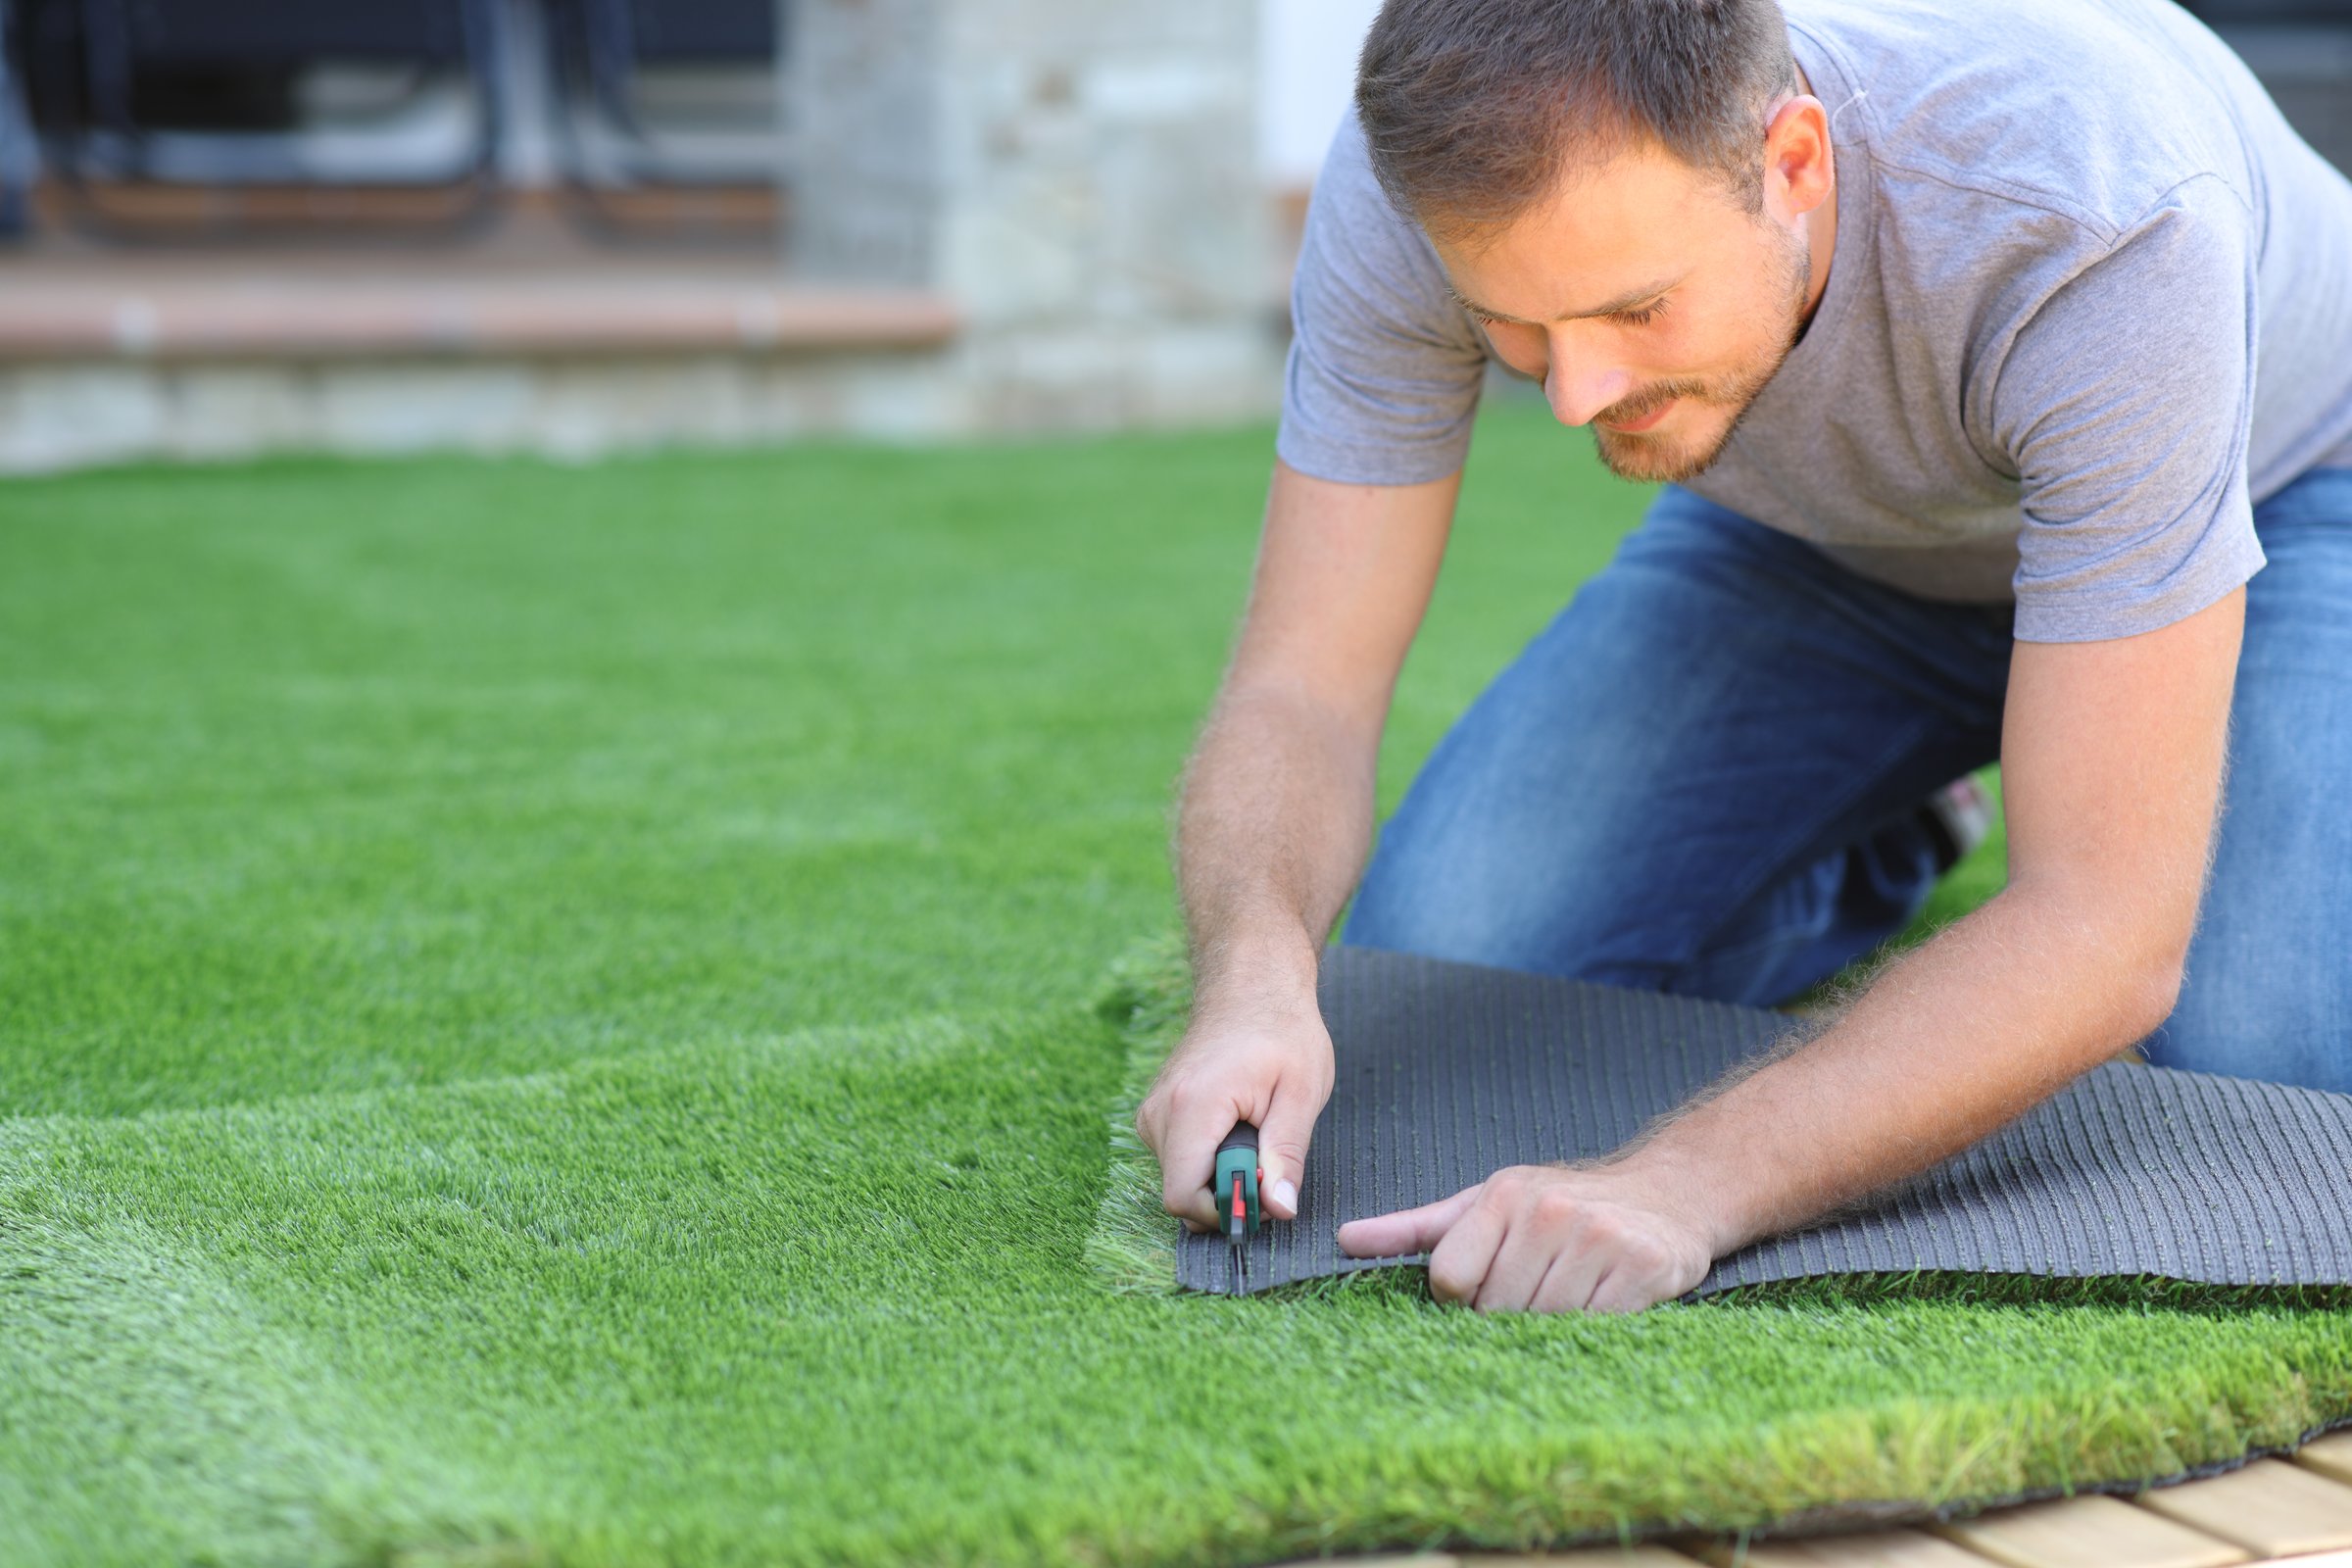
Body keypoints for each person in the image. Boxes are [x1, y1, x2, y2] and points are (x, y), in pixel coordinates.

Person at [1134, 0, 2352, 1315]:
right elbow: (1301, 685)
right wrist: (1256, 976)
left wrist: (1684, 1186)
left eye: (1636, 311)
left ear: (1796, 163)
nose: (1577, 397)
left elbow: (2108, 927)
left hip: (2286, 505)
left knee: (2258, 1061)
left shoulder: (2099, 211)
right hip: (1826, 554)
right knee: (1450, 957)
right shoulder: (1421, 185)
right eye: (1520, 331)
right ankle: (1893, 830)